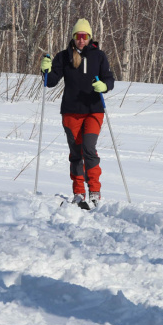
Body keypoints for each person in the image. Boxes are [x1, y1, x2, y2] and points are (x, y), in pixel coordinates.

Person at [40, 18, 115, 209]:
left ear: (90, 37)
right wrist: (45, 70)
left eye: (84, 36)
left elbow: (109, 79)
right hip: (71, 111)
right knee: (76, 152)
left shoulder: (99, 56)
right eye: (78, 36)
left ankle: (95, 192)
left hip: (93, 110)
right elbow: (51, 82)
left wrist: (104, 86)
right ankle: (79, 193)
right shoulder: (64, 56)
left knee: (89, 149)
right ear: (73, 37)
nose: (81, 39)